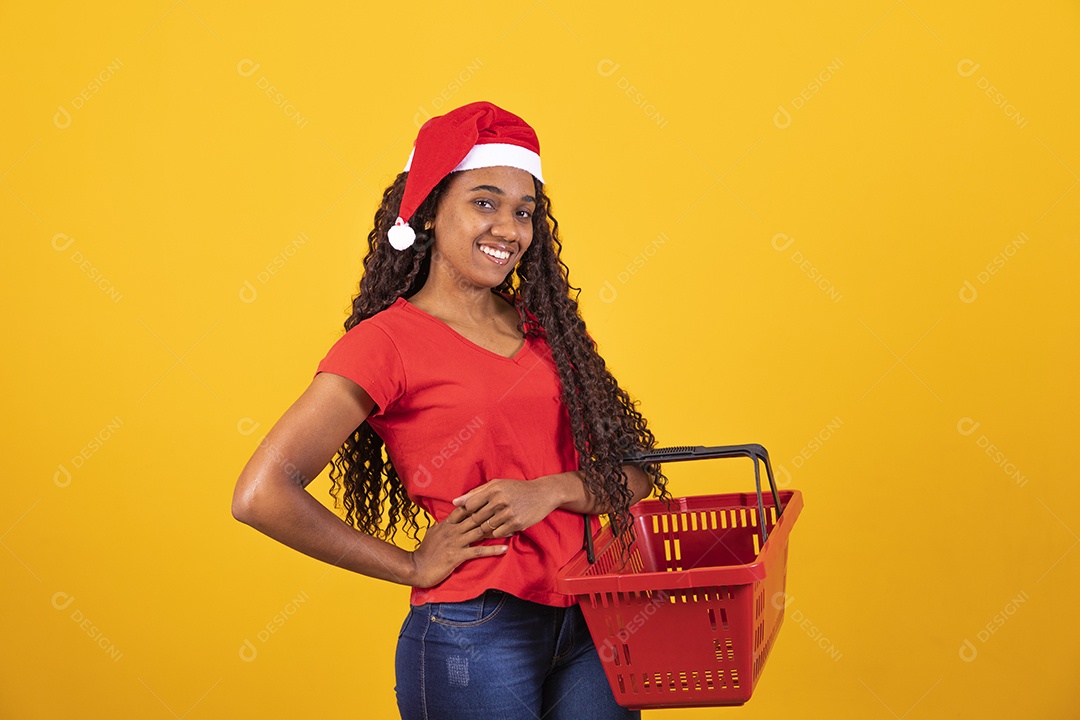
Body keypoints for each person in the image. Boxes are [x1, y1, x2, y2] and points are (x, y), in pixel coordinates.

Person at [232, 100, 668, 719]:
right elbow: (260, 494)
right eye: (484, 202)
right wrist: (412, 563)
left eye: (524, 212)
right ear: (432, 210)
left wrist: (550, 490)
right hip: (477, 629)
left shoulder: (553, 331)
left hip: (594, 618)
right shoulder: (386, 343)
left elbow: (634, 474)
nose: (509, 229)